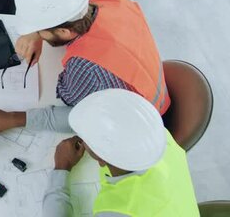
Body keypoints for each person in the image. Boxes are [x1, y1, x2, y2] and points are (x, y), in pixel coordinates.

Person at [0, 0, 169, 133]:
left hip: (136, 127)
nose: (37, 33)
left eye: (40, 30)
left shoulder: (87, 68)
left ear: (64, 30)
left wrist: (11, 119)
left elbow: (75, 114)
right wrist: (38, 33)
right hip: (152, 91)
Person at [45, 88, 198, 216]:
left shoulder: (118, 209)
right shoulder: (160, 137)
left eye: (85, 138)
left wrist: (61, 167)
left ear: (101, 159)